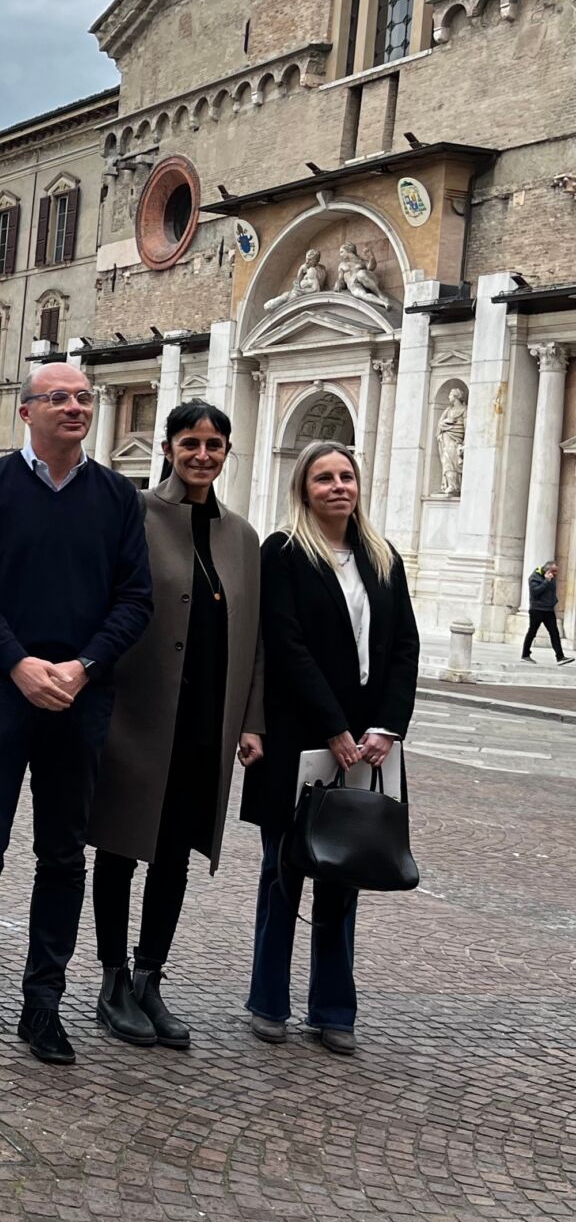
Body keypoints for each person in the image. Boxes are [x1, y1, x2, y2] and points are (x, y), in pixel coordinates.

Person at [0, 361, 153, 1065]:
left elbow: (136, 600)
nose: (75, 407)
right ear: (26, 411)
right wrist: (18, 664)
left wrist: (83, 667)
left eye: (84, 397)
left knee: (62, 856)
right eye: (59, 397)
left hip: (79, 698)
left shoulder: (117, 497)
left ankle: (43, 1006)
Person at [88, 402, 264, 1050]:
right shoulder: (133, 514)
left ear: (227, 453)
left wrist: (252, 721)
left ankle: (149, 980)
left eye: (214, 445)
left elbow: (257, 640)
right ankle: (112, 981)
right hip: (134, 717)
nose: (202, 455)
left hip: (204, 727)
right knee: (119, 847)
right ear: (168, 449)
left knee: (174, 857)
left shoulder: (242, 538)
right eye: (191, 442)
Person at [241, 440, 418, 1056]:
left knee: (348, 869)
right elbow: (285, 646)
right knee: (283, 872)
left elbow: (405, 647)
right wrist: (333, 725)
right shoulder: (283, 552)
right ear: (303, 488)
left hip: (369, 744)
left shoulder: (383, 557)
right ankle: (268, 1001)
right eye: (324, 478)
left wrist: (387, 725)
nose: (339, 486)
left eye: (347, 476)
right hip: (299, 737)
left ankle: (334, 1009)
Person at [522, 560, 569, 665]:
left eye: (556, 571)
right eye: (554, 571)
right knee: (532, 632)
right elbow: (535, 592)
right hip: (537, 610)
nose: (556, 574)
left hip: (549, 610)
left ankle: (560, 657)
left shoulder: (552, 578)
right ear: (547, 570)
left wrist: (554, 601)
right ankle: (525, 655)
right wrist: (546, 581)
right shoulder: (534, 577)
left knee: (554, 633)